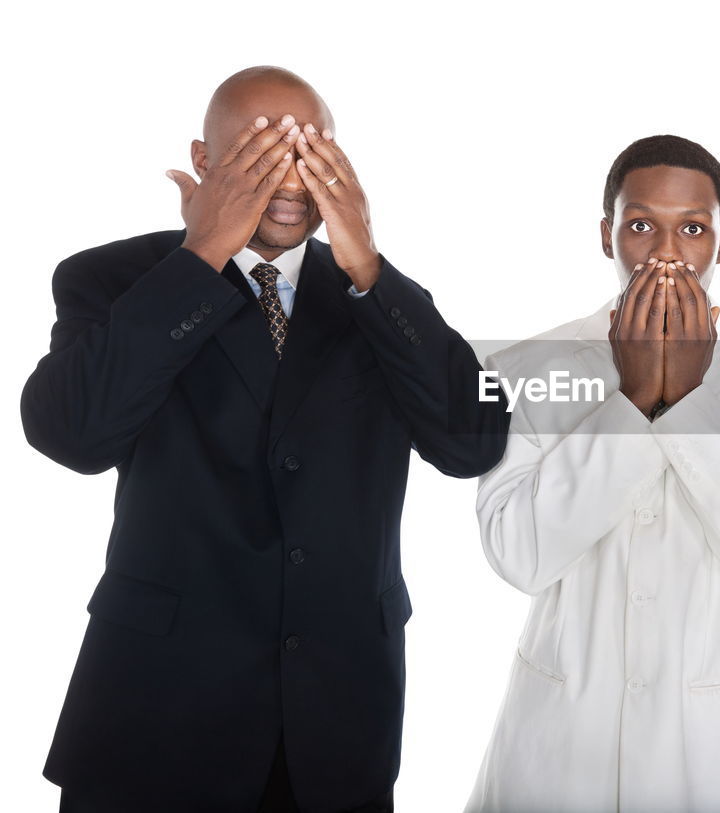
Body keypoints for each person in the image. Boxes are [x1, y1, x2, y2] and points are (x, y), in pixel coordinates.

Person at [20, 66, 509, 813]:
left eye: (311, 153)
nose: (290, 179)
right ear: (206, 159)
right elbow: (72, 433)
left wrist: (369, 269)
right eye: (260, 153)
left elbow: (473, 440)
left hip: (336, 732)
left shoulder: (378, 298)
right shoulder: (114, 279)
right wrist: (201, 255)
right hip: (155, 719)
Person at [465, 135, 720, 812]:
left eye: (693, 228)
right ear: (607, 235)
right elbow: (518, 555)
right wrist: (633, 401)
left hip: (708, 752)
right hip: (557, 743)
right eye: (641, 226)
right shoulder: (526, 370)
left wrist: (691, 403)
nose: (666, 253)